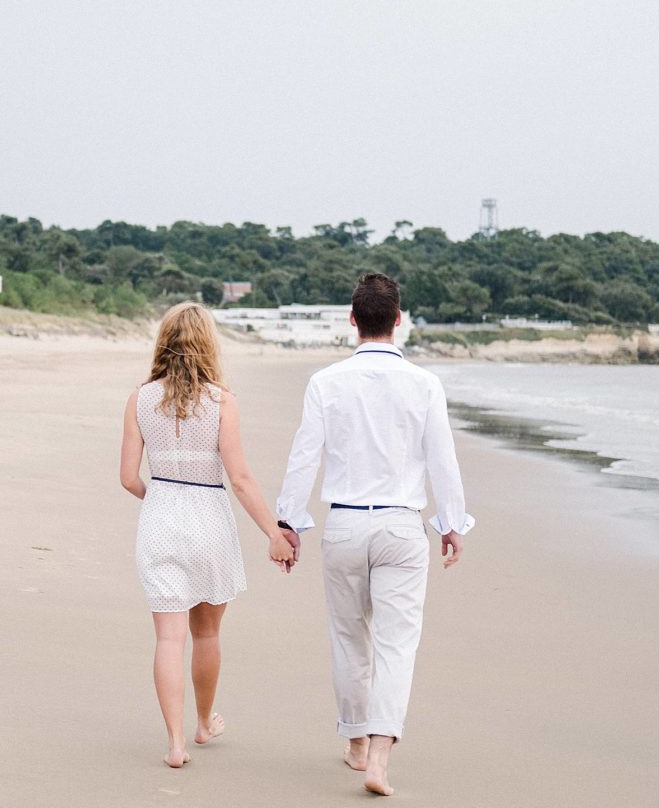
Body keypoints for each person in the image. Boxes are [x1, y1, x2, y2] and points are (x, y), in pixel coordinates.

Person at [276, 273, 474, 796]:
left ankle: (356, 742)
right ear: (399, 320)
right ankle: (380, 759)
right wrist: (451, 522)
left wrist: (288, 521)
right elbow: (442, 459)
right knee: (396, 645)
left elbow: (304, 456)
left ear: (351, 320)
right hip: (401, 527)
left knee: (348, 639)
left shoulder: (326, 382)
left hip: (343, 523)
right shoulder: (425, 383)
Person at [120, 302, 294, 768]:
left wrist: (158, 501)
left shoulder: (140, 398)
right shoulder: (221, 401)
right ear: (208, 343)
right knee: (207, 633)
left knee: (168, 639)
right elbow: (240, 479)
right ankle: (202, 722)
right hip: (209, 521)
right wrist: (273, 533)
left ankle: (175, 744)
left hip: (160, 519)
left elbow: (128, 478)